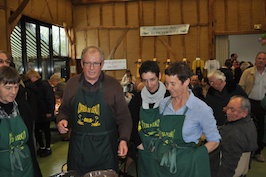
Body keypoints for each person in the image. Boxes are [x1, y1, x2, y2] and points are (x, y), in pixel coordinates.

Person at [56, 46, 132, 176]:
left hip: (106, 148)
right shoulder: (72, 84)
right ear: (82, 64)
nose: (91, 68)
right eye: (87, 63)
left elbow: (124, 117)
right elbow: (64, 109)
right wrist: (61, 119)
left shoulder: (113, 85)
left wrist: (124, 139)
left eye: (96, 63)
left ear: (102, 64)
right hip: (79, 148)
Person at [151, 61, 220, 177]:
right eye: (166, 83)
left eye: (173, 84)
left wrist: (195, 156)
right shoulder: (163, 104)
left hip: (187, 165)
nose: (168, 88)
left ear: (186, 82)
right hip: (163, 164)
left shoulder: (201, 109)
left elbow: (214, 140)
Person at [127, 60, 168, 177]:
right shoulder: (137, 100)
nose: (149, 85)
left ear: (159, 76)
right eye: (145, 81)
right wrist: (138, 143)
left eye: (152, 80)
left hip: (165, 148)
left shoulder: (169, 97)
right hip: (145, 148)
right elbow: (131, 123)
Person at [0, 66, 42, 177]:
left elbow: (31, 146)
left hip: (26, 169)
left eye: (16, 87)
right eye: (8, 88)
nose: (13, 92)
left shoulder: (23, 108)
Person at [217, 95, 258, 177]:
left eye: (232, 109)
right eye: (227, 108)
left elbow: (228, 166)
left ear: (244, 112)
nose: (228, 112)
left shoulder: (234, 134)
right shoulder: (249, 122)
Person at [239, 52, 266, 162]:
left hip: (263, 104)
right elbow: (241, 87)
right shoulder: (247, 72)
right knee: (247, 128)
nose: (261, 60)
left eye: (263, 59)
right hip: (249, 103)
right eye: (259, 58)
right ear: (255, 60)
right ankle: (247, 152)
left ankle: (258, 152)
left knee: (261, 128)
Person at [26, 69, 55, 157]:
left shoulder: (43, 85)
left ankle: (47, 147)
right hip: (39, 112)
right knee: (41, 131)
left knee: (44, 130)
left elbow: (50, 98)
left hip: (42, 111)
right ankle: (44, 147)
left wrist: (50, 111)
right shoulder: (39, 85)